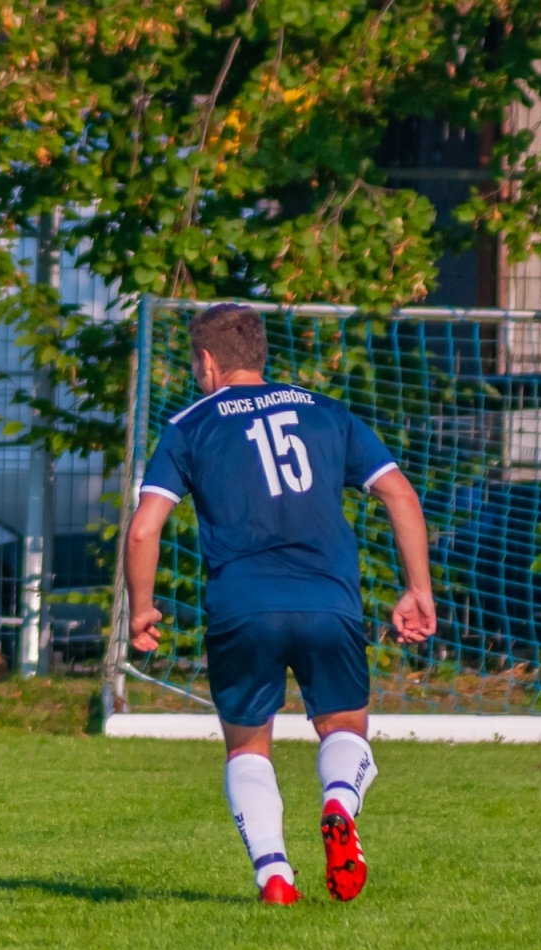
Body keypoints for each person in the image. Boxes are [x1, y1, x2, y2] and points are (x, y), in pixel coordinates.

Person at [124, 303, 436, 905]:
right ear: (261, 355)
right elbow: (398, 493)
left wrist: (142, 609)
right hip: (329, 602)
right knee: (344, 727)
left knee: (247, 746)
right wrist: (417, 588)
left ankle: (274, 874)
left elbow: (144, 529)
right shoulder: (327, 414)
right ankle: (340, 804)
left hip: (243, 606)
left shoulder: (190, 425)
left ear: (208, 360)